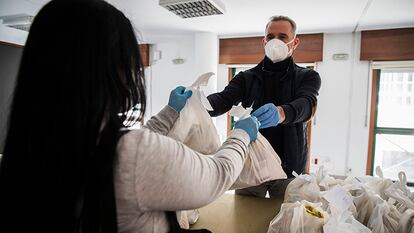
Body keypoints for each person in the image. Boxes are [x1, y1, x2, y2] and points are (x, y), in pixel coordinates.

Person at [0, 1, 260, 233]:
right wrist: (241, 134)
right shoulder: (136, 154)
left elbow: (120, 146)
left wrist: (170, 112)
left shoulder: (27, 150)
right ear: (112, 69)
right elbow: (217, 175)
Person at [207, 15, 321, 198]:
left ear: (295, 42)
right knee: (246, 219)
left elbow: (307, 105)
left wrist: (281, 113)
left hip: (289, 167)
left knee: (284, 219)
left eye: (283, 37)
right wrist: (198, 104)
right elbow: (223, 99)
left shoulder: (307, 76)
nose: (275, 41)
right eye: (270, 37)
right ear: (264, 40)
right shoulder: (246, 78)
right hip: (251, 163)